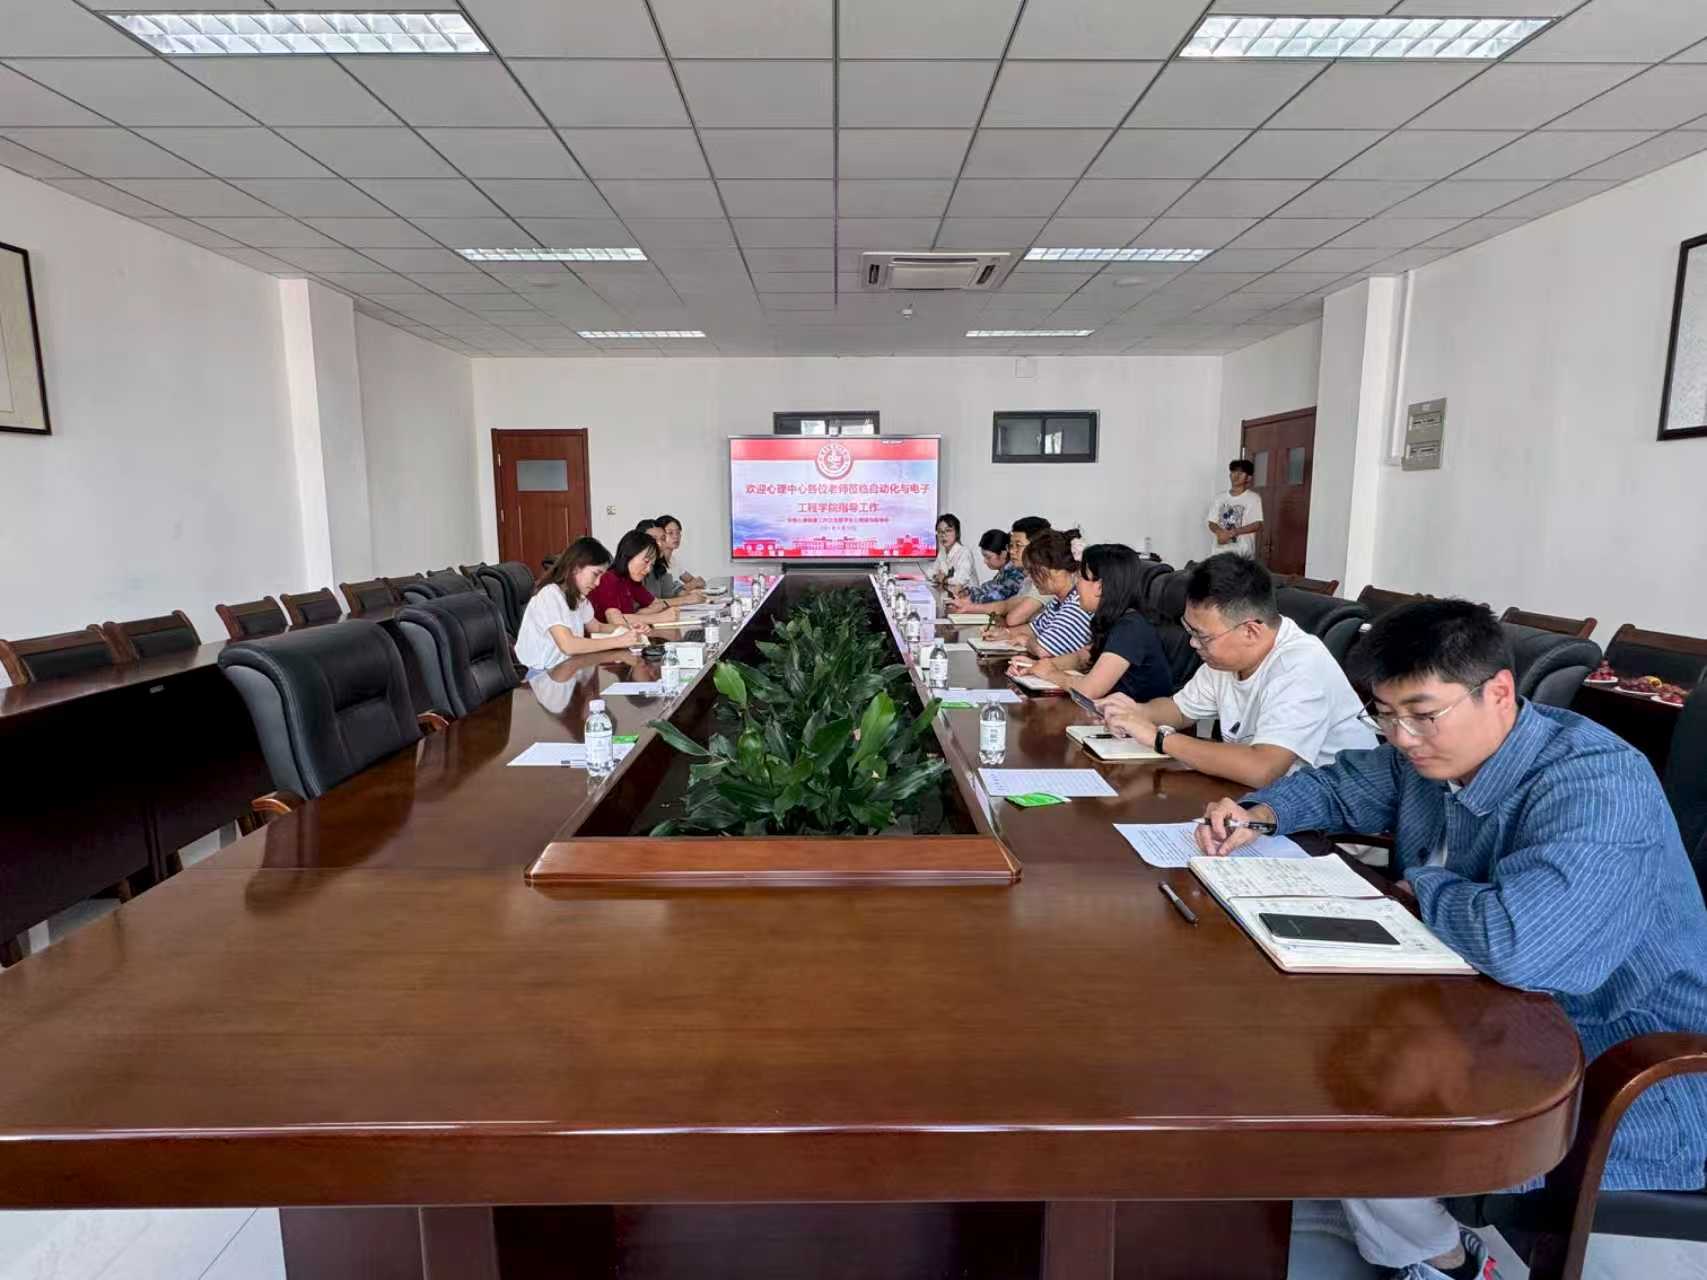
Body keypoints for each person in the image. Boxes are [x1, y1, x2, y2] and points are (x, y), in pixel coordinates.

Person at [1198, 599, 1707, 1280]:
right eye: (1386, 715)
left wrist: (1421, 887)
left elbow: (1521, 945)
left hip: (1622, 1061)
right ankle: (1388, 1212)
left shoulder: (1595, 784)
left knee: (1353, 1090)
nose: (1403, 738)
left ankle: (1442, 1258)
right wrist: (1259, 814)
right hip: (1491, 1008)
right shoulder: (1432, 755)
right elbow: (1342, 786)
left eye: (1421, 714)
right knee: (1294, 1031)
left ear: (1498, 691)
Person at [1097, 555, 1373, 789]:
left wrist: (1160, 739)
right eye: (1189, 629)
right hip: (1269, 800)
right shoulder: (1226, 659)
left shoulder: (1300, 666)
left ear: (1250, 631)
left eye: (1202, 635)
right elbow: (1180, 710)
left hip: (1336, 820)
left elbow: (1263, 768)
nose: (1193, 643)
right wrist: (1135, 712)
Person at [1011, 543, 1172, 702]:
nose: (1077, 584)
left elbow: (1089, 690)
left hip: (1138, 716)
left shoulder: (1131, 627)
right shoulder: (1111, 619)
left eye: (1081, 577)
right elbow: (1082, 658)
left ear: (1100, 587)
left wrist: (1050, 674)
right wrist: (1038, 666)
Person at [515, 536, 645, 670]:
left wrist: (629, 629)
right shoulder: (549, 595)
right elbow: (568, 645)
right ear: (575, 568)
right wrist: (618, 641)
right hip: (541, 675)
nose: (598, 583)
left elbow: (597, 627)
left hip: (565, 669)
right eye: (595, 574)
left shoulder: (578, 597)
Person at [986, 529, 1093, 658]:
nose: (1032, 577)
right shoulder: (1058, 601)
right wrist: (1006, 633)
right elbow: (1035, 628)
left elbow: (1045, 649)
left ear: (1060, 569)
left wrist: (1026, 641)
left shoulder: (1078, 602)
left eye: (1036, 571)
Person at [589, 529, 680, 629]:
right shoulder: (608, 578)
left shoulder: (630, 580)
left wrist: (639, 615)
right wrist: (659, 618)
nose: (648, 570)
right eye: (646, 561)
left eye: (652, 565)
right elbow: (615, 620)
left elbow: (656, 604)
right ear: (629, 555)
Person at [969, 516, 1051, 626]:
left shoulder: (1046, 579)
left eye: (1018, 545)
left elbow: (1013, 618)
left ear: (1037, 546)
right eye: (1011, 546)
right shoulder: (1028, 579)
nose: (1012, 551)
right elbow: (1006, 605)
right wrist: (968, 607)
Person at [637, 519, 705, 606]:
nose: (660, 544)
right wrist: (685, 599)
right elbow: (647, 603)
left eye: (663, 539)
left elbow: (673, 591)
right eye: (653, 539)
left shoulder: (659, 568)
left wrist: (692, 595)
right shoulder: (634, 570)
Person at [1207, 458, 1263, 558]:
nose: (1236, 476)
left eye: (1240, 473)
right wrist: (1219, 532)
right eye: (1233, 472)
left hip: (1242, 555)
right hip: (1218, 552)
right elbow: (1212, 522)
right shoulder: (1219, 498)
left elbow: (1257, 524)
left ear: (1248, 478)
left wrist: (1234, 532)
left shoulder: (1253, 498)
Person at [958, 530, 1025, 604]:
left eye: (988, 557)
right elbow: (989, 587)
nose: (985, 561)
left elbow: (994, 599)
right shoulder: (1004, 572)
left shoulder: (1015, 574)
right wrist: (967, 592)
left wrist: (970, 599)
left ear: (1003, 554)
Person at [656, 514, 706, 592]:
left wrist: (696, 582)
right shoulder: (655, 563)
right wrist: (691, 585)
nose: (676, 536)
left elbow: (694, 580)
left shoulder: (672, 560)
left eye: (678, 532)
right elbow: (666, 593)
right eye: (670, 533)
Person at [928, 513, 978, 590]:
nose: (943, 535)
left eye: (948, 530)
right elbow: (930, 572)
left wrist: (944, 579)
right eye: (940, 531)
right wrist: (936, 576)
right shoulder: (942, 552)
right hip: (951, 593)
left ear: (957, 533)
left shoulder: (964, 552)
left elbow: (961, 580)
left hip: (969, 595)